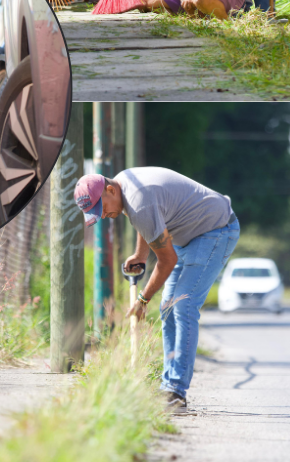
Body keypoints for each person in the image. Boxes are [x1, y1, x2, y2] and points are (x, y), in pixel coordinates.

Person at [74, 169, 240, 410]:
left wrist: (142, 300)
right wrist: (141, 254)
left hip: (215, 231)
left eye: (102, 208)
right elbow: (151, 220)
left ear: (110, 190)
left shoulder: (137, 199)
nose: (105, 216)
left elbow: (166, 260)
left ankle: (176, 391)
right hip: (188, 235)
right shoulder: (126, 184)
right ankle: (167, 387)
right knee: (168, 307)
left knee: (183, 304)